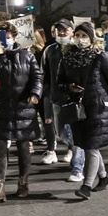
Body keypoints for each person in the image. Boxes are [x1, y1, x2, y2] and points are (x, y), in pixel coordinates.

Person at [57, 24, 108, 199]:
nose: (80, 38)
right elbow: (59, 82)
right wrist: (68, 87)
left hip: (97, 107)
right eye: (77, 34)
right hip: (77, 108)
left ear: (92, 38)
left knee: (91, 146)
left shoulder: (101, 57)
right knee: (87, 145)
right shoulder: (67, 58)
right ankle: (104, 177)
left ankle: (86, 186)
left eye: (84, 35)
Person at [0, 22, 43, 201]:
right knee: (0, 148)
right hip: (1, 107)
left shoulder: (27, 56)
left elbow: (37, 77)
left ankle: (23, 182)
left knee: (23, 147)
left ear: (14, 37)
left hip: (23, 108)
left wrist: (35, 93)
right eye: (2, 37)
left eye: (8, 37)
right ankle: (0, 185)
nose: (6, 40)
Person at [40, 20, 82, 179]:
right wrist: (47, 91)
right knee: (61, 131)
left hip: (75, 98)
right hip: (56, 97)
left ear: (72, 31)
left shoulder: (78, 49)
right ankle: (75, 146)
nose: (62, 33)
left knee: (77, 131)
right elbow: (42, 73)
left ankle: (77, 167)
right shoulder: (50, 50)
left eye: (65, 30)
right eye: (59, 30)